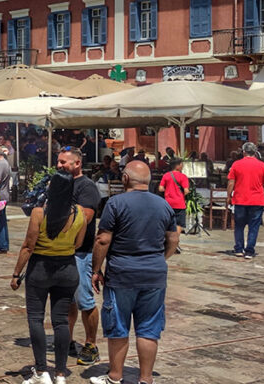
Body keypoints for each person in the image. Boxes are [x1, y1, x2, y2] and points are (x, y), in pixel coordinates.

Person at [89, 161, 178, 384]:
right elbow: (174, 239)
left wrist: (96, 269)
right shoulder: (163, 205)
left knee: (118, 325)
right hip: (155, 275)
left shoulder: (116, 203)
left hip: (122, 273)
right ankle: (146, 379)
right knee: (149, 328)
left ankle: (115, 376)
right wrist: (160, 259)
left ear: (126, 179)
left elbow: (103, 239)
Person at [10, 172, 87, 384]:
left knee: (36, 318)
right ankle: (61, 373)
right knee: (61, 321)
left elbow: (28, 246)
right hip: (67, 268)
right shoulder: (79, 213)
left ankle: (42, 371)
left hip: (41, 268)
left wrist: (17, 274)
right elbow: (79, 243)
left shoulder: (38, 213)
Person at [57, 148, 102, 367]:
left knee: (84, 300)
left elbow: (85, 216)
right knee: (67, 300)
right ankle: (68, 339)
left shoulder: (87, 187)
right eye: (58, 161)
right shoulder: (61, 184)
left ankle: (91, 344)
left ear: (77, 164)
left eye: (64, 162)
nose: (59, 165)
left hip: (81, 253)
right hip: (60, 252)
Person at [226, 142, 264, 260]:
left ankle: (239, 249)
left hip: (240, 199)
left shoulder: (236, 164)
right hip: (257, 200)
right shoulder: (262, 165)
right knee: (254, 226)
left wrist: (229, 195)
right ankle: (249, 251)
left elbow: (231, 182)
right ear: (255, 152)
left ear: (244, 152)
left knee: (239, 225)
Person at [158, 157, 190, 248]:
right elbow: (186, 190)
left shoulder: (166, 175)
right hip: (179, 204)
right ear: (178, 166)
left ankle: (168, 241)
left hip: (168, 203)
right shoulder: (183, 177)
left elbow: (160, 188)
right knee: (179, 224)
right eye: (182, 164)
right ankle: (174, 242)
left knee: (168, 223)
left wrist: (167, 190)